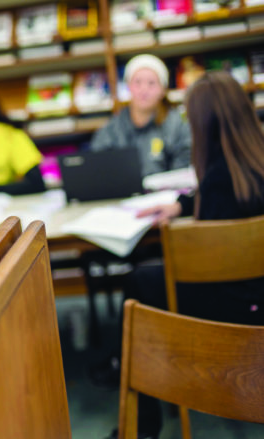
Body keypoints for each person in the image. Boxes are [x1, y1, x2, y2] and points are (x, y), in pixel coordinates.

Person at [100, 70, 264, 439]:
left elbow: (213, 264)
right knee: (149, 281)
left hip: (234, 308)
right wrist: (184, 203)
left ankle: (142, 423)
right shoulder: (251, 161)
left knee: (140, 285)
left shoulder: (219, 177)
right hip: (257, 295)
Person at [91, 54, 192, 177]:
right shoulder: (112, 129)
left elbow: (183, 169)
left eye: (151, 83)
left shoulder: (178, 125)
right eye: (137, 82)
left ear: (163, 89)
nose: (144, 90)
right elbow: (99, 166)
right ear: (128, 86)